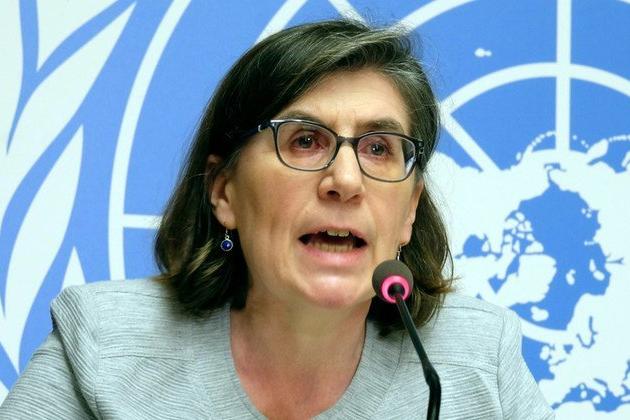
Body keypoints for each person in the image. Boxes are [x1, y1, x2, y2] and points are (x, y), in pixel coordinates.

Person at [0, 19, 553, 419]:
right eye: (305, 140)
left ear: (409, 210)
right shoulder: (106, 345)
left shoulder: (475, 360)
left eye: (379, 148)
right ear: (224, 192)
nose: (346, 180)